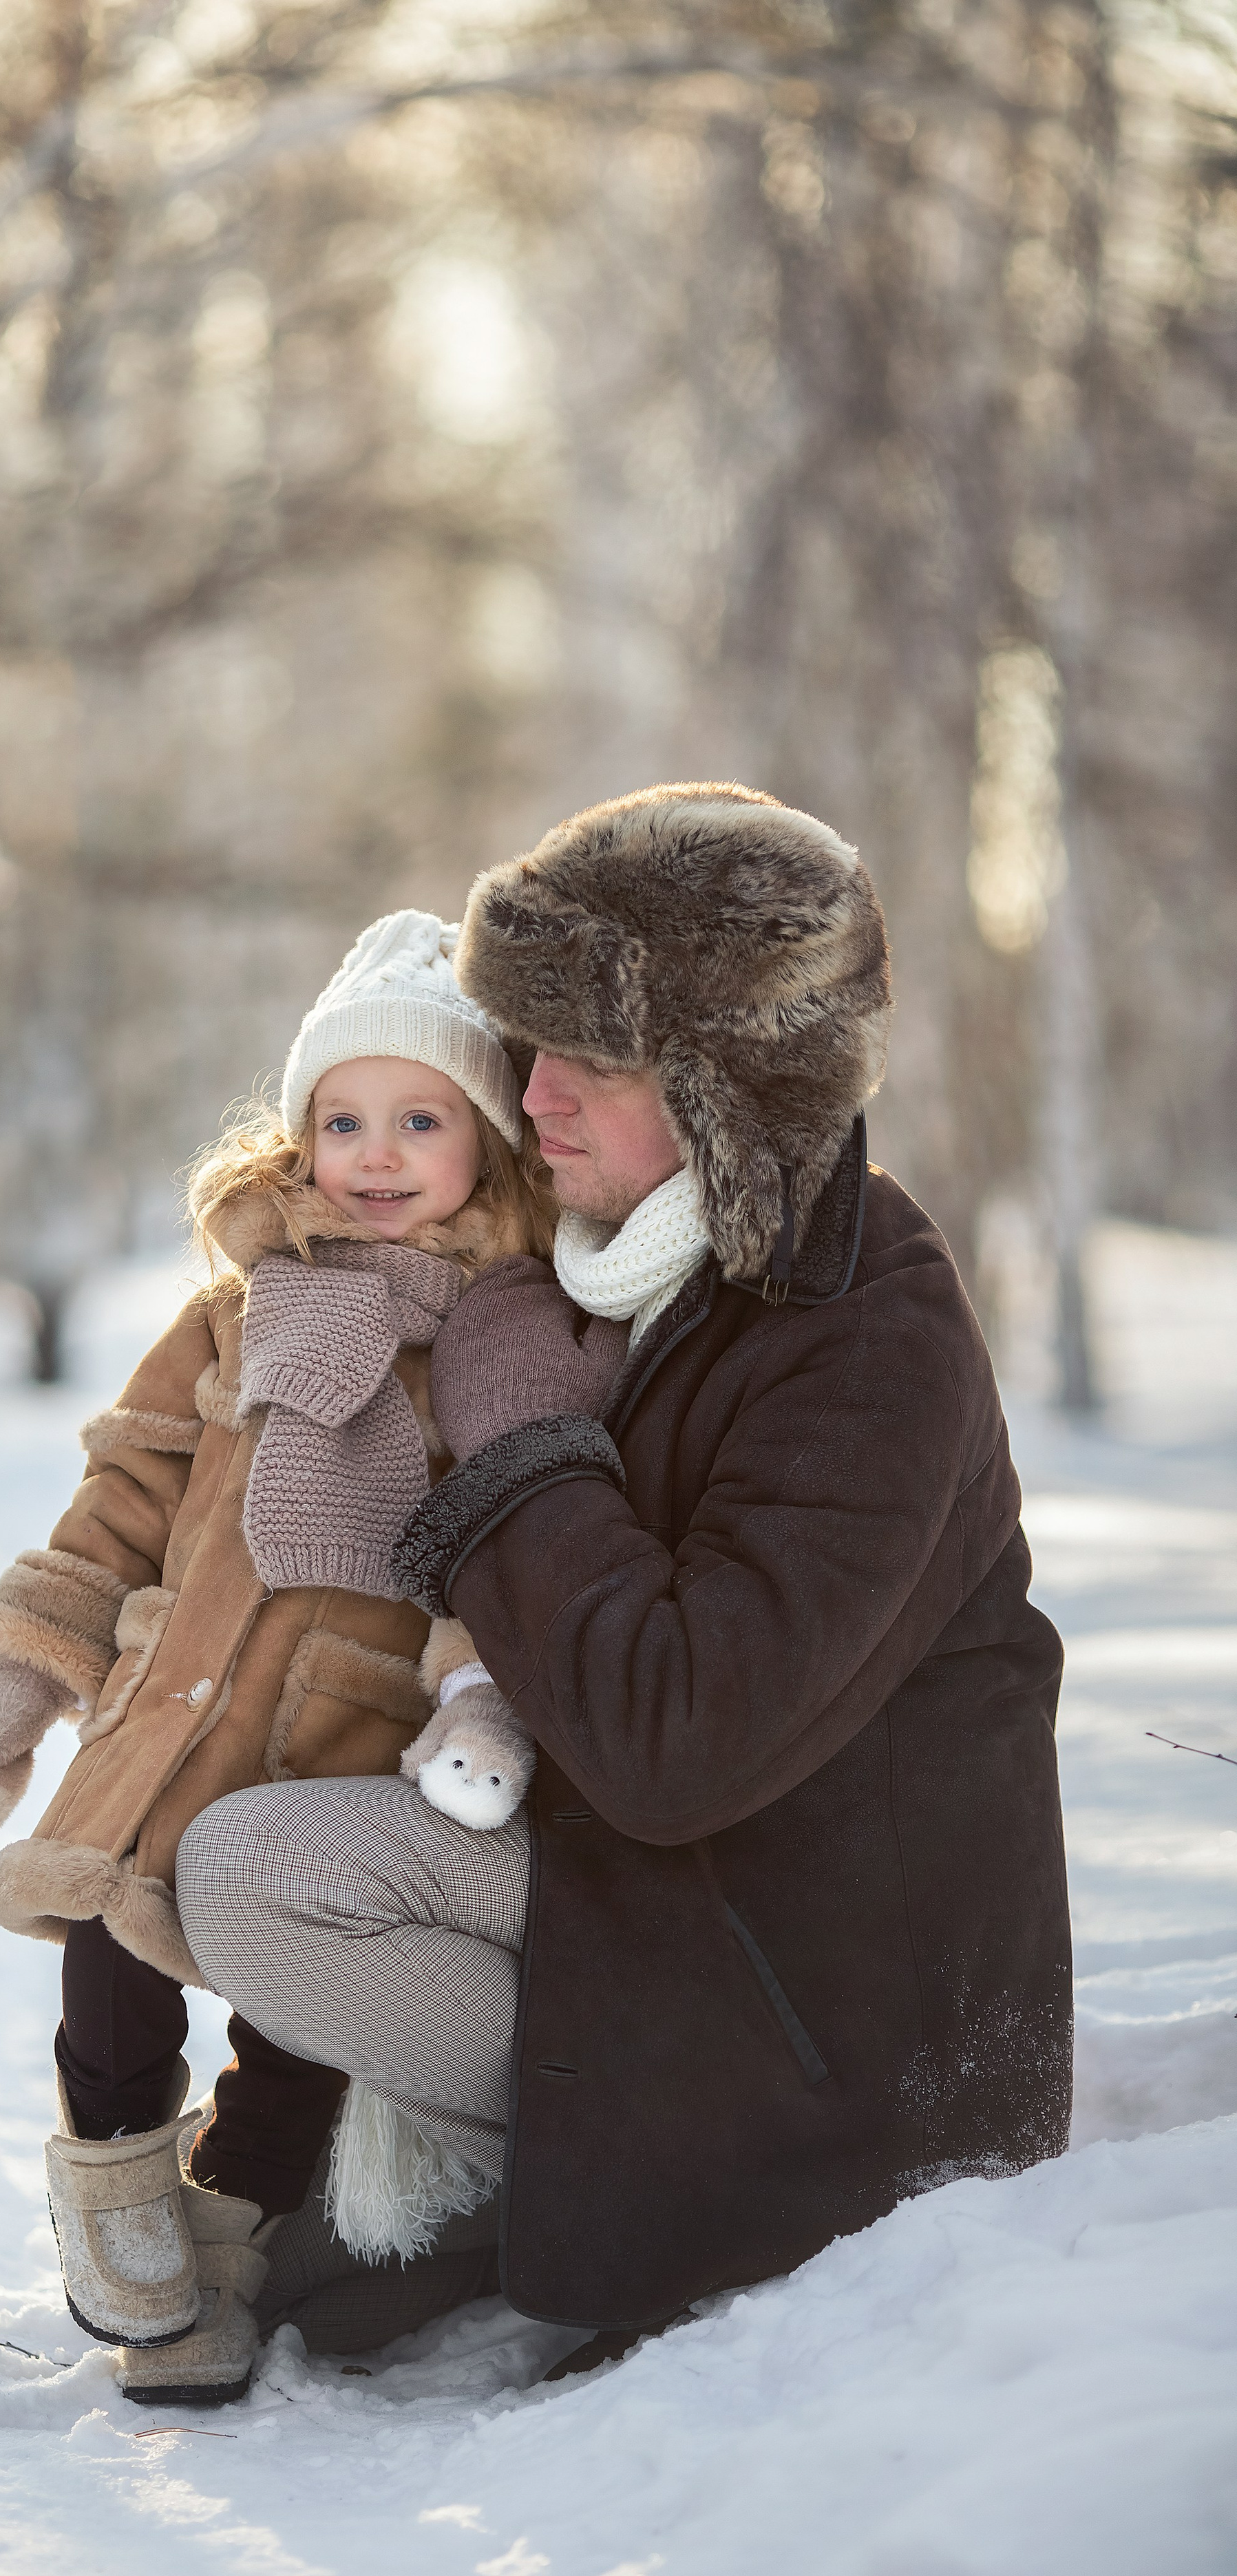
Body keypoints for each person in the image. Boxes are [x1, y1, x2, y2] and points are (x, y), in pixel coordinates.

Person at [171, 781, 1073, 2376]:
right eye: (529, 1049)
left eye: (589, 1059)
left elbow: (673, 1738)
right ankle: (477, 2171)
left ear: (729, 1088)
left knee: (263, 1871)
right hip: (679, 1902)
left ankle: (543, 2178)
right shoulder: (619, 1272)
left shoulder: (866, 1323)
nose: (533, 1097)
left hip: (831, 2018)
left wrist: (516, 1446)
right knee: (233, 1850)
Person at [0, 910, 556, 2404]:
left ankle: (228, 2233)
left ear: (485, 1140)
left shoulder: (497, 1332)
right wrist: (29, 1671)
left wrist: (479, 1688)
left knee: (291, 2022)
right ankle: (119, 2203)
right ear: (296, 1137)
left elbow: (508, 1536)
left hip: (343, 1735)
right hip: (175, 1699)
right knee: (105, 1944)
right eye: (340, 1118)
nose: (376, 1151)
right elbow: (123, 1492)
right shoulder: (229, 1312)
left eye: (420, 1118)